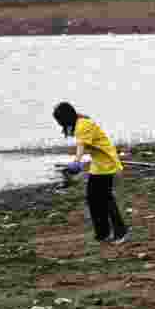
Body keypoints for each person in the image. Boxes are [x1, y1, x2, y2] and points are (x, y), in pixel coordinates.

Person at [53, 102, 129, 244]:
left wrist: (76, 162)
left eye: (59, 121)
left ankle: (121, 233)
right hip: (98, 164)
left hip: (107, 163)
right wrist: (78, 162)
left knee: (105, 200)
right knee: (93, 198)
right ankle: (102, 234)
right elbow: (82, 144)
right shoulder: (79, 124)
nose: (58, 124)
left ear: (65, 118)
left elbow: (81, 146)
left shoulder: (83, 125)